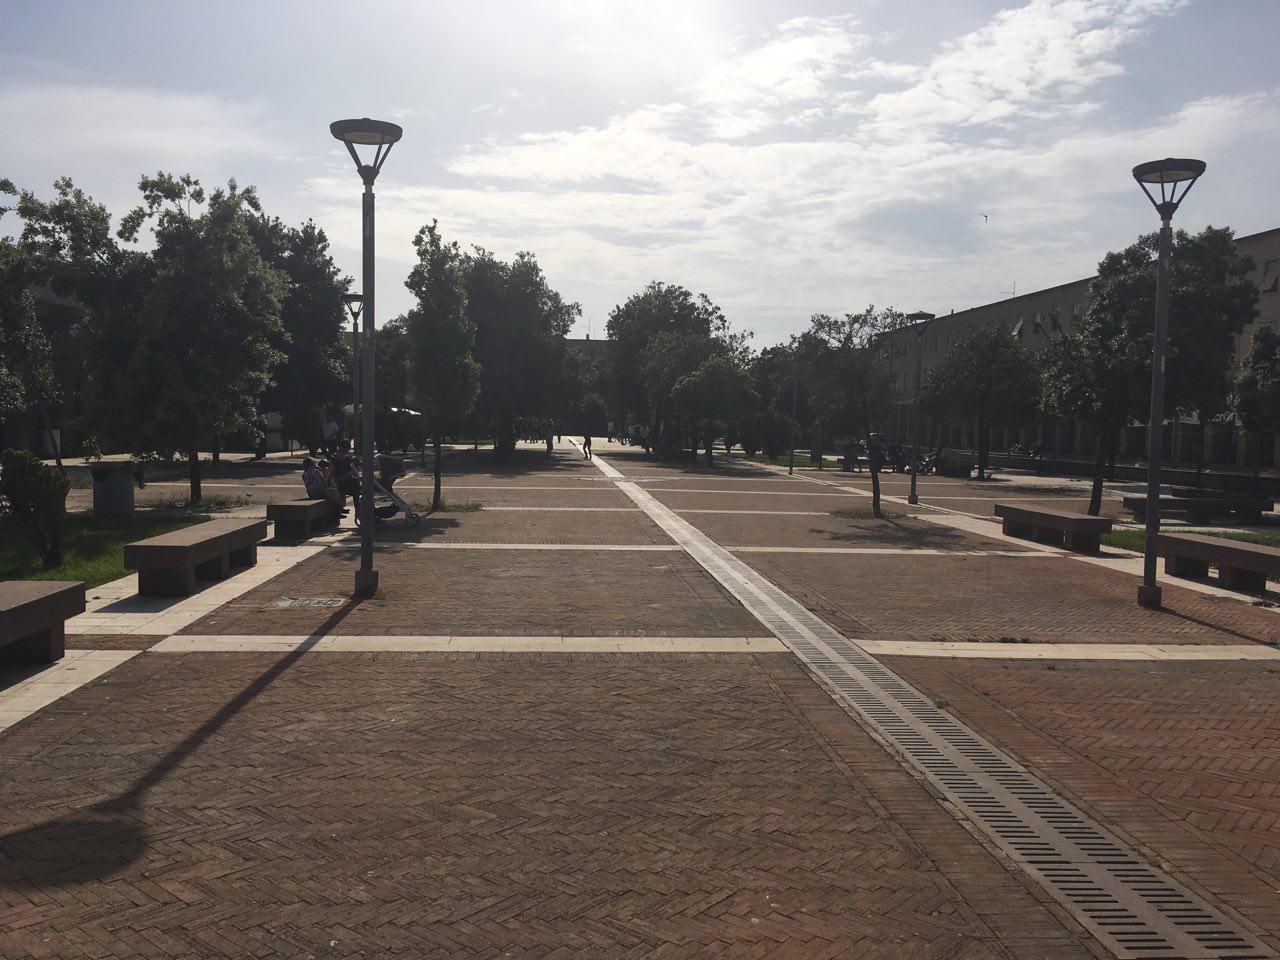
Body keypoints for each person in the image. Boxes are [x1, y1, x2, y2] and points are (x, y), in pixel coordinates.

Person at [331, 448, 361, 514]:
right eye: (341, 454)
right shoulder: (333, 460)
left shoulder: (347, 459)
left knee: (356, 484)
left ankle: (358, 509)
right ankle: (358, 509)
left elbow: (354, 471)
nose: (343, 456)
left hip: (346, 482)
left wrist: (357, 477)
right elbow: (332, 476)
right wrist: (347, 476)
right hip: (337, 482)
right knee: (355, 484)